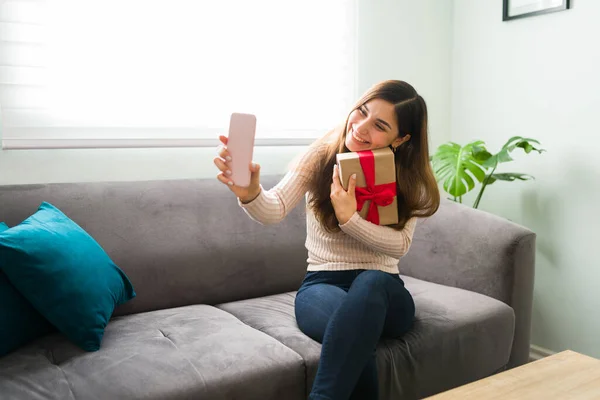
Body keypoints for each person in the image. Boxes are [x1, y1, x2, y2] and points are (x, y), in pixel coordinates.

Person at [213, 80, 440, 400]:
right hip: (321, 285)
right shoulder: (323, 153)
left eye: (379, 125)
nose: (360, 127)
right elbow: (274, 208)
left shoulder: (407, 176)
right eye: (361, 112)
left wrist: (351, 220)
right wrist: (250, 193)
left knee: (371, 283)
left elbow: (399, 245)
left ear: (400, 139)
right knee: (355, 339)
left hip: (384, 291)